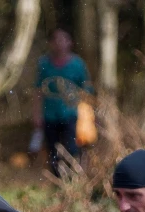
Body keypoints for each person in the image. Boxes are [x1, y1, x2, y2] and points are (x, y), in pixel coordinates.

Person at [32, 28, 93, 178]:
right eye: (56, 40)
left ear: (70, 43)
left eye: (63, 40)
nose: (59, 44)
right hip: (50, 114)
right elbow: (38, 90)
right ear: (51, 43)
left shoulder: (77, 64)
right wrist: (36, 114)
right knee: (53, 149)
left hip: (71, 114)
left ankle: (74, 179)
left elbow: (86, 89)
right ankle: (58, 181)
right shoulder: (44, 63)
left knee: (72, 147)